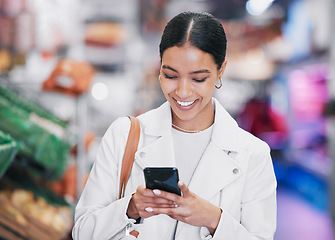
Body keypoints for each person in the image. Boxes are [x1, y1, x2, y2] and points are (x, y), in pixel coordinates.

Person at [72, 11, 277, 240]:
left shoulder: (253, 155)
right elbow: (82, 231)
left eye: (198, 79)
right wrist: (129, 208)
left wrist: (213, 219)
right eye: (170, 75)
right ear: (159, 69)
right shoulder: (124, 135)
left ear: (221, 71)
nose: (182, 92)